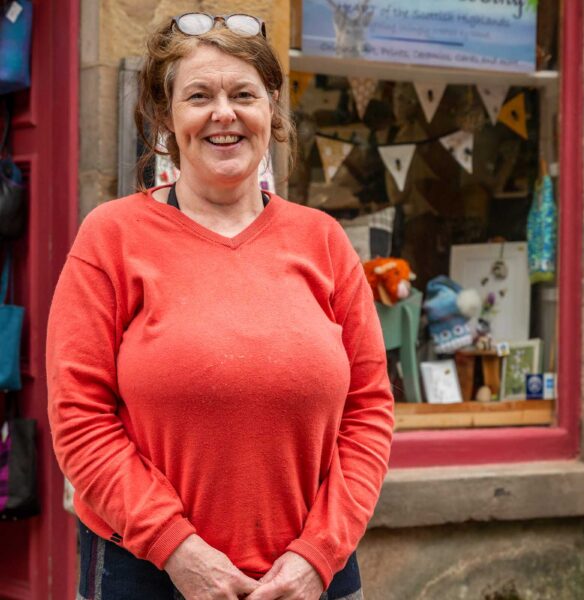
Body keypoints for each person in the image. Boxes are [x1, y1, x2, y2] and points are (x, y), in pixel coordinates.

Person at [46, 13, 394, 600]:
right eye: (199, 96)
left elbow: (369, 412)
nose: (223, 114)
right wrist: (177, 549)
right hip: (146, 571)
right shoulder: (111, 237)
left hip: (314, 577)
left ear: (272, 111)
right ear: (166, 115)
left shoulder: (324, 241)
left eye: (243, 95)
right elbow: (80, 421)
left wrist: (319, 554)